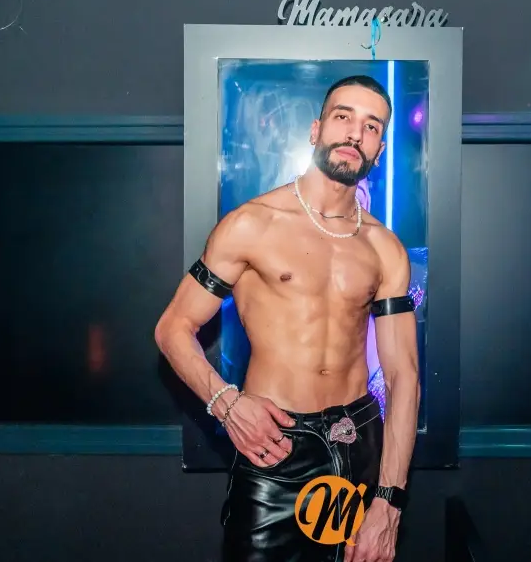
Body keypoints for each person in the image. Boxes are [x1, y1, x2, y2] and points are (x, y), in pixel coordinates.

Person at [156, 75, 419, 562]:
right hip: (274, 448)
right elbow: (173, 328)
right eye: (343, 117)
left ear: (380, 149)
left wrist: (390, 501)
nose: (355, 133)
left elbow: (403, 375)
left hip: (357, 443)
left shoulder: (386, 249)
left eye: (371, 126)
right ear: (316, 130)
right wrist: (226, 403)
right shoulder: (252, 224)